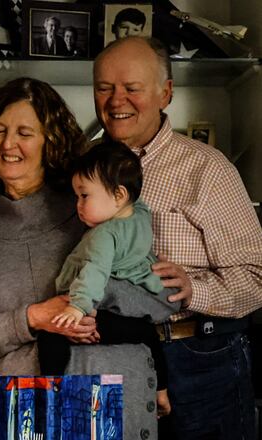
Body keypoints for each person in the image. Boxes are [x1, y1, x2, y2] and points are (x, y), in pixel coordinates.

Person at [0, 77, 169, 439]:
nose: (8, 144)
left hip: (98, 404)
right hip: (9, 410)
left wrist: (93, 310)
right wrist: (35, 317)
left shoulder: (90, 211)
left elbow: (152, 298)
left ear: (50, 140)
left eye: (25, 132)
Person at [94, 36, 262, 439]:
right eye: (104, 87)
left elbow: (258, 276)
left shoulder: (207, 170)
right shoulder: (84, 170)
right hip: (112, 359)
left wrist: (194, 290)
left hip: (199, 359)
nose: (117, 100)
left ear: (165, 93)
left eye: (132, 88)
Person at [36, 141, 176, 417]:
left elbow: (94, 272)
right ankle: (161, 390)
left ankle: (53, 394)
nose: (78, 205)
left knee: (50, 336)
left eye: (85, 196)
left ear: (119, 195)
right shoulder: (140, 214)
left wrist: (76, 307)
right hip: (146, 302)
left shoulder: (104, 235)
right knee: (148, 336)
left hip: (108, 304)